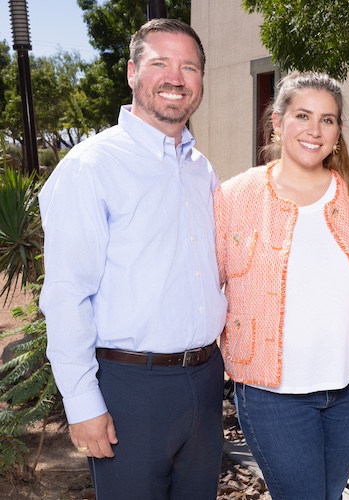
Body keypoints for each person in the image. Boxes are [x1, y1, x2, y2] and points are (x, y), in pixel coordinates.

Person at [39, 19, 227, 499]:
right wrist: (82, 404)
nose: (176, 77)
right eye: (160, 63)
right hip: (130, 390)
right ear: (131, 72)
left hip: (205, 383)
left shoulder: (201, 170)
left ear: (201, 80)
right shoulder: (91, 167)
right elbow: (66, 295)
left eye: (189, 67)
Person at [213, 71, 349, 500]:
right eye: (303, 116)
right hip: (273, 397)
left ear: (338, 132)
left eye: (327, 120)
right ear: (276, 121)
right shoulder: (235, 197)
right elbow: (204, 288)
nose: (315, 130)